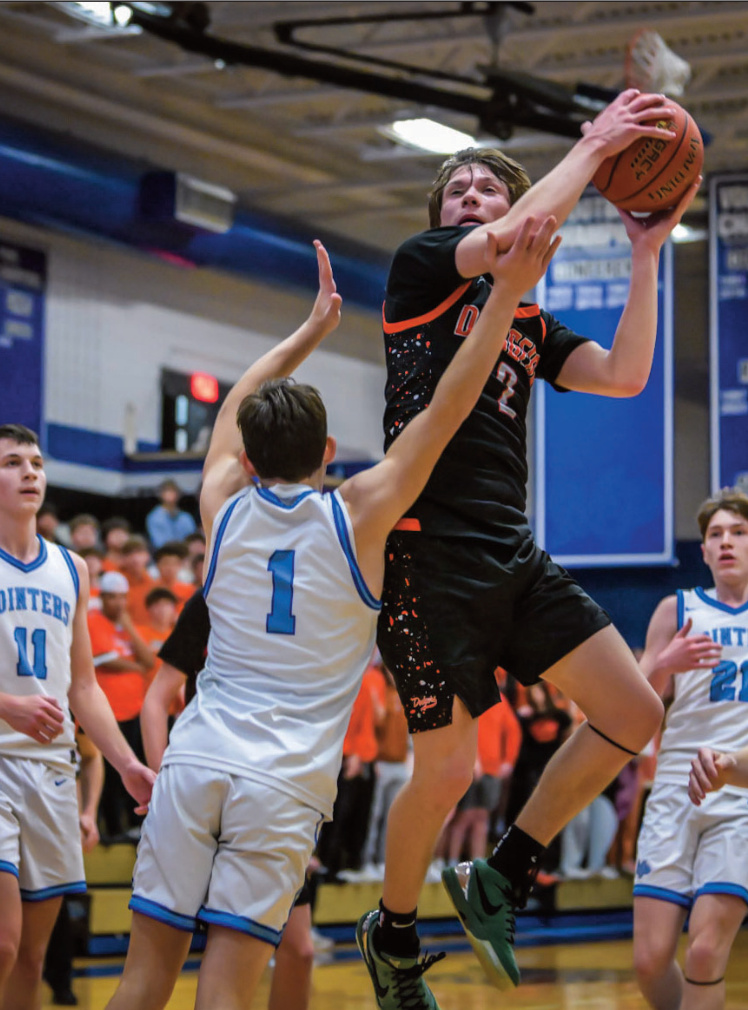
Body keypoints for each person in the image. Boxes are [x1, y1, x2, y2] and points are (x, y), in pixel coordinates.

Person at [101, 221, 559, 1010]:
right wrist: (507, 295)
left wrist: (308, 331)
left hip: (196, 759)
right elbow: (449, 409)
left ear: (246, 458)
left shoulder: (223, 506)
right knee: (230, 991)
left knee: (142, 981)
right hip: (282, 784)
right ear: (332, 450)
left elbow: (237, 404)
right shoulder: (359, 515)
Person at [361, 87, 701, 1006]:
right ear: (444, 220)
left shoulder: (526, 322)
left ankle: (501, 875)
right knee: (449, 772)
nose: (470, 195)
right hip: (426, 551)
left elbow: (627, 376)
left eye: (487, 188)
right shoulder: (423, 269)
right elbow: (508, 248)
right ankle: (391, 939)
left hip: (509, 548)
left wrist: (646, 253)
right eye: (457, 189)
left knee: (636, 714)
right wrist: (593, 147)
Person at [0, 423, 155, 1010]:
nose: (30, 472)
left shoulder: (72, 569)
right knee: (3, 942)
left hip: (53, 770)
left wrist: (126, 763)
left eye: (36, 463)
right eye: (13, 462)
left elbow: (84, 685)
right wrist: (6, 704)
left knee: (33, 957)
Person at [140, 588, 317, 1010]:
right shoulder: (212, 598)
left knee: (299, 950)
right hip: (204, 778)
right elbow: (156, 700)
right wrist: (159, 778)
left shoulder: (310, 599)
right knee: (158, 972)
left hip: (272, 789)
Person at [632, 488, 748, 1010]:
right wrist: (664, 663)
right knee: (650, 961)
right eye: (715, 535)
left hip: (740, 789)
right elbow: (631, 709)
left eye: (739, 533)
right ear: (701, 551)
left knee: (703, 951)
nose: (726, 542)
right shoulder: (674, 610)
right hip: (676, 787)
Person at [146, 479, 197, 550]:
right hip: (164, 554)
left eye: (173, 491)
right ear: (161, 494)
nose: (170, 494)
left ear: (178, 495)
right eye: (167, 491)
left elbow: (193, 540)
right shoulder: (154, 517)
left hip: (185, 554)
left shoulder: (186, 517)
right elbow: (158, 543)